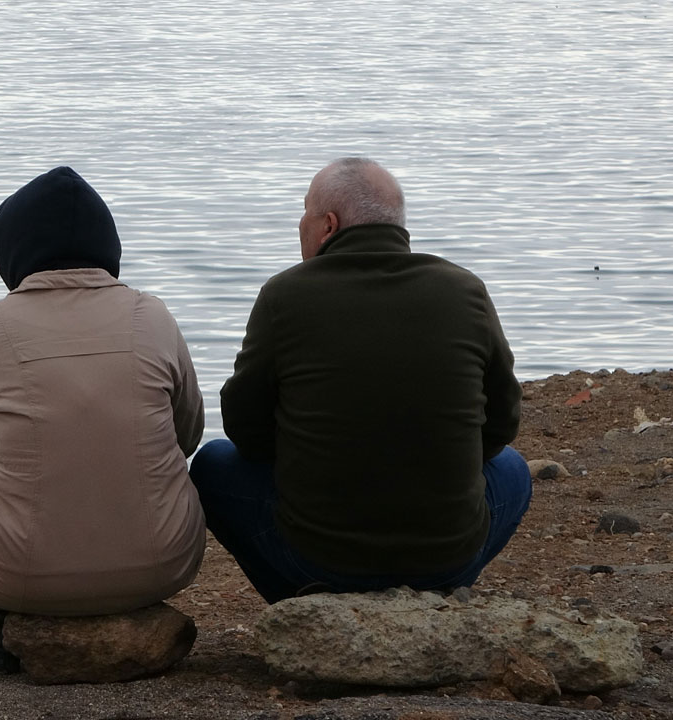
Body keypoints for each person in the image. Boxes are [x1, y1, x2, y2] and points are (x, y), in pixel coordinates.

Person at [190, 157, 531, 604]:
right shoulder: (465, 289)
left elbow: (244, 429)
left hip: (318, 557)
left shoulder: (285, 295)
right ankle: (435, 595)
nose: (300, 223)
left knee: (213, 464)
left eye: (305, 211)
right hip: (447, 555)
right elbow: (502, 425)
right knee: (513, 470)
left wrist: (310, 460)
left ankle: (302, 602)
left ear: (328, 225)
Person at [0, 166, 206, 673]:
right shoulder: (152, 315)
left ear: (12, 248)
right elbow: (187, 435)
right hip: (163, 567)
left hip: (17, 574)